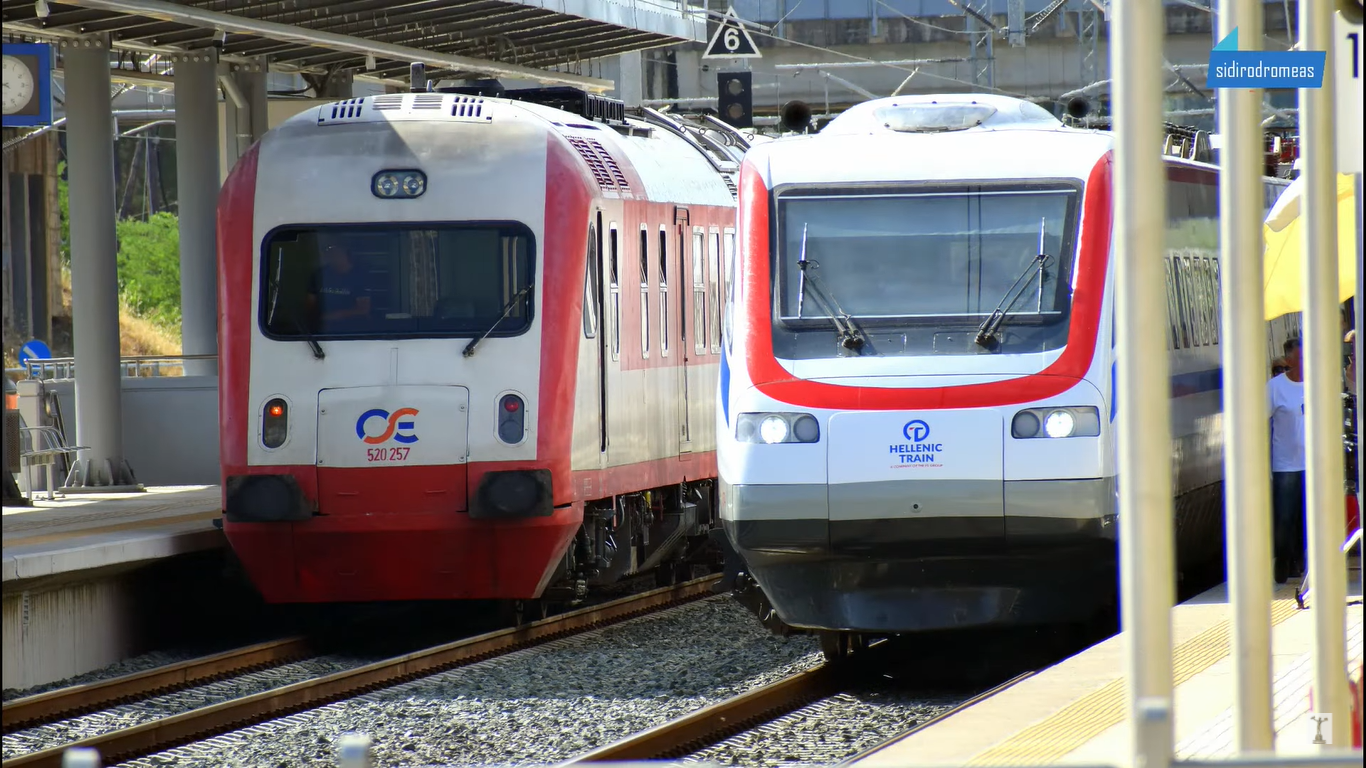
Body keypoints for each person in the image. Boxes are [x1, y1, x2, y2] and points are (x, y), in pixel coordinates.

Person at [1268, 337, 1306, 584]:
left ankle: (1301, 562)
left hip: (1314, 463)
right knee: (1284, 518)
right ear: (1289, 360)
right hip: (1286, 465)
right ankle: (1283, 563)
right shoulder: (1275, 387)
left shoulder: (1318, 383)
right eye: (1301, 358)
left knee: (1307, 518)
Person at [305, 243, 371, 328]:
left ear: (346, 253)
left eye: (336, 251)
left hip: (353, 332)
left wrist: (333, 316)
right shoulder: (318, 274)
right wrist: (313, 318)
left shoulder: (361, 276)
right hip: (320, 332)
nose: (333, 255)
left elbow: (363, 310)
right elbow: (310, 303)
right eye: (329, 251)